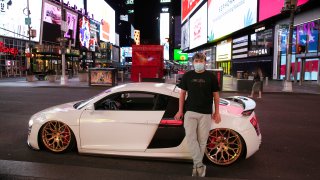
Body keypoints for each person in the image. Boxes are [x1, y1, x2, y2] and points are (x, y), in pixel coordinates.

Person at [174, 52, 221, 177]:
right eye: (196, 61)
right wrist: (180, 111)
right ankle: (200, 165)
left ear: (205, 62)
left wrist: (217, 112)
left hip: (206, 113)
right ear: (193, 62)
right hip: (190, 112)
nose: (199, 63)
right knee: (191, 139)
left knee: (202, 141)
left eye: (201, 61)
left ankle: (196, 166)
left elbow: (216, 96)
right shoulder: (188, 75)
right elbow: (182, 94)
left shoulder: (211, 77)